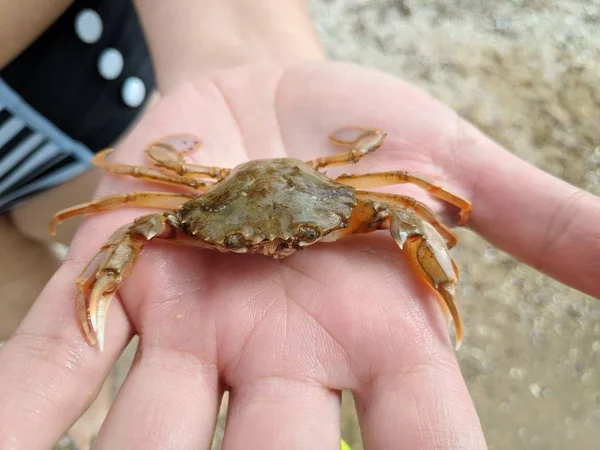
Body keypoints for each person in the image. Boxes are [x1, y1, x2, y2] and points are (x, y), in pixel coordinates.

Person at [0, 1, 599, 449]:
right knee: (45, 278)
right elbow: (126, 226)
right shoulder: (183, 205)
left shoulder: (357, 203)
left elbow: (410, 207)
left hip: (74, 122)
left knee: (61, 240)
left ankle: (92, 416)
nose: (271, 249)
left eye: (299, 238)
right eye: (239, 243)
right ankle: (88, 409)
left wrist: (256, 53)